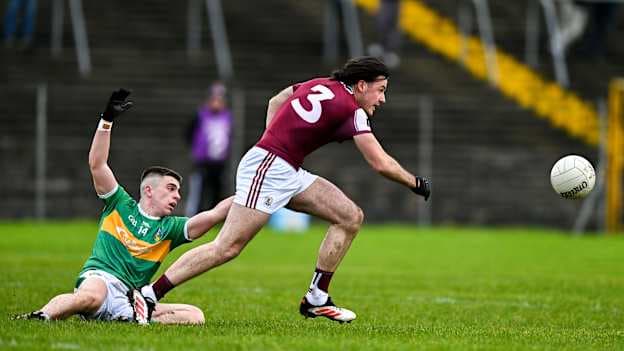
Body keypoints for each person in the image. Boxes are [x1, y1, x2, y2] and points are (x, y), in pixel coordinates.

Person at [138, 56, 430, 324]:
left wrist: (274, 140)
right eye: (380, 90)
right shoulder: (353, 111)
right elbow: (379, 163)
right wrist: (414, 183)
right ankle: (149, 295)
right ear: (362, 85)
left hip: (285, 168)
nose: (383, 98)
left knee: (350, 216)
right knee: (227, 247)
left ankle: (316, 298)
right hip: (269, 167)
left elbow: (276, 100)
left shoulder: (321, 83)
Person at [13, 89, 233, 324]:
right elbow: (97, 164)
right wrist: (106, 120)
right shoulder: (119, 203)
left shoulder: (171, 228)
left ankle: (129, 315)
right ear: (148, 190)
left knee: (195, 316)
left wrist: (255, 192)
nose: (177, 196)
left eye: (178, 191)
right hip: (101, 280)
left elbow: (215, 214)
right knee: (91, 297)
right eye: (170, 188)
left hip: (131, 296)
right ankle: (40, 316)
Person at [184, 82, 233, 217]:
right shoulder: (201, 115)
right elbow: (188, 133)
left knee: (217, 190)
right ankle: (195, 216)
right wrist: (196, 151)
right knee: (199, 189)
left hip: (219, 161)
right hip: (203, 160)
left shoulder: (227, 116)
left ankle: (214, 218)